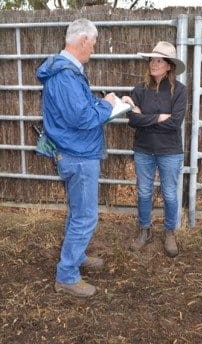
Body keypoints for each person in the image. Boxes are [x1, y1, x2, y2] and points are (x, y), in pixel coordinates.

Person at [36, 19, 133, 297]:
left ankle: (75, 257)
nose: (93, 48)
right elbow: (81, 117)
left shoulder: (67, 73)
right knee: (85, 216)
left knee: (79, 212)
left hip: (75, 152)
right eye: (92, 43)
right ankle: (66, 275)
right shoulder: (66, 75)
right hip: (78, 154)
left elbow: (79, 109)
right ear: (82, 41)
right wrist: (107, 105)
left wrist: (104, 102)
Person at [128, 41, 186, 258]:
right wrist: (159, 117)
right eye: (152, 59)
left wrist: (145, 117)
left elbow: (175, 123)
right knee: (144, 192)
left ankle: (169, 231)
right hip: (143, 149)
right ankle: (145, 230)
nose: (154, 63)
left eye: (159, 60)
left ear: (169, 65)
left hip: (170, 151)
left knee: (170, 194)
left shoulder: (180, 91)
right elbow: (132, 120)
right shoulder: (139, 89)